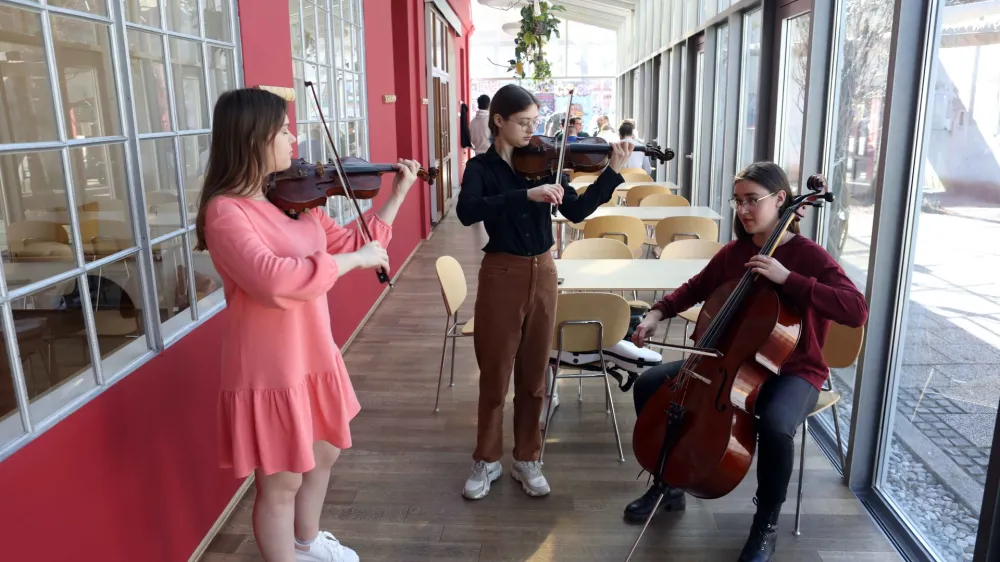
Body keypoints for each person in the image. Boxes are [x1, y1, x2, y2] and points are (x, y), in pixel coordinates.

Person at [196, 87, 421, 562]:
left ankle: (307, 542)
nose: (293, 138)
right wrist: (355, 260)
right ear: (252, 138)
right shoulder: (226, 213)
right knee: (282, 481)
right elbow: (274, 282)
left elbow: (352, 244)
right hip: (271, 368)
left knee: (324, 453)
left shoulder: (296, 201)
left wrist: (397, 195)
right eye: (282, 130)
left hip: (314, 354)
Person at [624, 162, 868, 562]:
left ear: (780, 201)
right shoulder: (736, 252)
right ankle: (668, 481)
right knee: (651, 384)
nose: (744, 210)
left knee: (774, 423)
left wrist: (788, 278)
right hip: (726, 363)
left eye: (753, 200)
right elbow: (696, 287)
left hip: (795, 370)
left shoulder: (808, 257)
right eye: (738, 201)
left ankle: (765, 524)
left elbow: (855, 310)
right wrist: (657, 312)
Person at [455, 83, 633, 500]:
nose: (532, 132)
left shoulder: (544, 164)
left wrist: (611, 174)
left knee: (536, 376)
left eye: (535, 123)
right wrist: (524, 195)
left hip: (545, 270)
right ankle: (486, 460)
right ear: (499, 122)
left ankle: (527, 458)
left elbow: (575, 210)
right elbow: (467, 211)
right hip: (502, 271)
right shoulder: (481, 169)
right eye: (524, 123)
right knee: (495, 375)